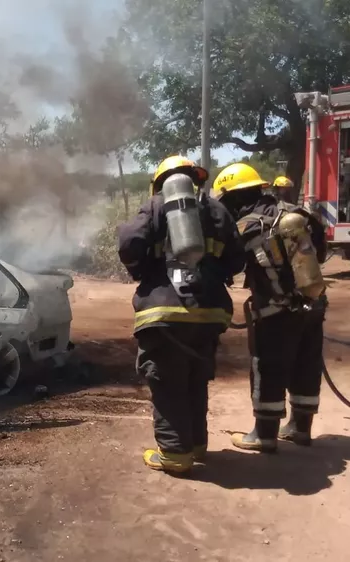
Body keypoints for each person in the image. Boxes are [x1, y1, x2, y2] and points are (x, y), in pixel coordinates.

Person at [117, 155, 246, 474]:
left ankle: (175, 454)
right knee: (195, 377)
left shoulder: (156, 205)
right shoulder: (218, 209)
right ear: (196, 178)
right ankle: (197, 445)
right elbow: (237, 259)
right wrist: (214, 275)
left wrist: (143, 270)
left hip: (164, 312)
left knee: (167, 379)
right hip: (210, 310)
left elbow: (129, 243)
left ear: (158, 183)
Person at [211, 163, 328, 452]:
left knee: (268, 365)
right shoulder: (297, 213)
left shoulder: (248, 225)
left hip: (277, 309)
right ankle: (300, 429)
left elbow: (230, 265)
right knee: (306, 364)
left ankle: (263, 434)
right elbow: (321, 253)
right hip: (313, 303)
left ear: (235, 197)